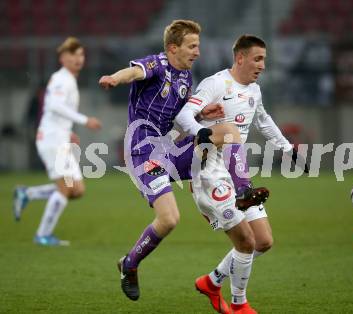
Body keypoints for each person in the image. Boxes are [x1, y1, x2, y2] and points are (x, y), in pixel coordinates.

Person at [98, 20, 268, 302]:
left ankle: (242, 191)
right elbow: (134, 72)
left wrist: (202, 116)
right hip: (143, 150)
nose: (197, 52)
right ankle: (129, 264)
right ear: (173, 48)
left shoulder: (185, 79)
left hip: (168, 148)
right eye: (192, 46)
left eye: (198, 46)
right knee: (169, 219)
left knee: (228, 132)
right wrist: (115, 78)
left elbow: (180, 120)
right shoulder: (158, 64)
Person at [176, 34, 309, 314]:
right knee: (246, 241)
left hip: (234, 170)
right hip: (211, 173)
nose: (262, 65)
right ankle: (239, 305)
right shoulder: (216, 84)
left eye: (264, 60)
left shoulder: (254, 90)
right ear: (240, 58)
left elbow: (263, 120)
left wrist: (287, 148)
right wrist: (200, 131)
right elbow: (184, 115)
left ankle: (212, 282)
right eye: (257, 59)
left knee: (263, 241)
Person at [13, 37, 102, 246]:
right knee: (64, 187)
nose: (78, 59)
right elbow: (53, 105)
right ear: (63, 58)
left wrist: (68, 131)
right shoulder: (61, 79)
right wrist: (84, 120)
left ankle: (27, 193)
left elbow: (56, 110)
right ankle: (42, 235)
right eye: (73, 55)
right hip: (52, 139)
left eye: (81, 54)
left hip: (60, 136)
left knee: (77, 189)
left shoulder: (69, 79)